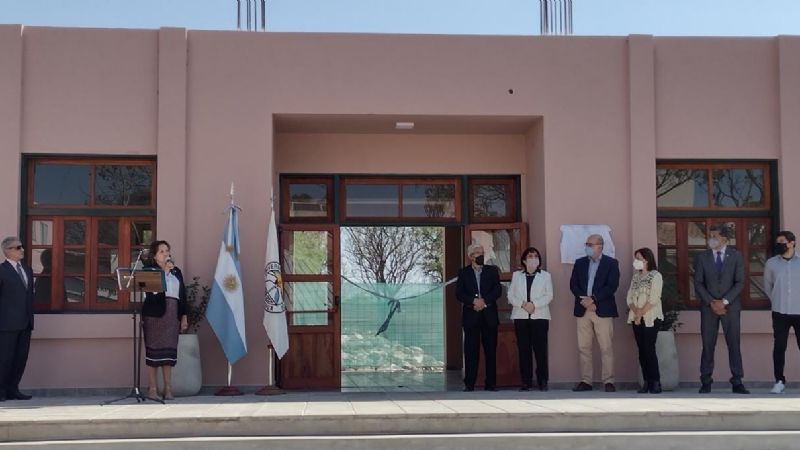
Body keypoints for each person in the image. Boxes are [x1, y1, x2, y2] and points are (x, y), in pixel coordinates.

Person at [694, 223, 748, 394]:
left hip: (730, 307)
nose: (711, 239)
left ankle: (737, 381)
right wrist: (711, 302)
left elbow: (740, 281)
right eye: (710, 236)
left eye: (715, 236)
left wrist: (724, 301)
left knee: (734, 344)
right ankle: (706, 381)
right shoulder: (703, 257)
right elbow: (698, 282)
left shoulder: (736, 256)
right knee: (708, 345)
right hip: (708, 308)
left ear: (724, 238)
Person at [569, 234, 620, 392]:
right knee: (584, 347)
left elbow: (612, 286)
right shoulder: (580, 263)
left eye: (590, 244)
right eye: (587, 244)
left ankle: (609, 381)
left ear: (600, 246)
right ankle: (586, 381)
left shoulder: (611, 263)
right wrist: (585, 300)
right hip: (583, 309)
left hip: (602, 310)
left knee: (606, 347)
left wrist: (594, 300)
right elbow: (573, 284)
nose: (587, 247)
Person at [141, 240, 188, 400]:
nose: (166, 253)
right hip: (154, 315)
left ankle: (168, 388)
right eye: (161, 251)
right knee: (153, 353)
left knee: (168, 353)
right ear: (155, 256)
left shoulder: (177, 272)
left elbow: (183, 296)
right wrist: (165, 273)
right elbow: (152, 295)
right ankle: (152, 389)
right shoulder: (149, 271)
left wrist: (184, 316)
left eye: (167, 250)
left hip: (172, 314)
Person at [455, 243, 502, 391]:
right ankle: (469, 384)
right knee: (471, 352)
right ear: (471, 256)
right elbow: (459, 294)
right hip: (471, 317)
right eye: (477, 252)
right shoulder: (463, 273)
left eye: (482, 252)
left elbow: (497, 290)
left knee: (491, 352)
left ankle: (491, 384)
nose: (480, 255)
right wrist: (473, 301)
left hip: (489, 316)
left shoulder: (492, 271)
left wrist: (484, 301)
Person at [507, 246, 553, 391]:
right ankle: (526, 381)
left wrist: (534, 305)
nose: (533, 259)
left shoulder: (545, 276)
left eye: (535, 256)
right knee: (523, 350)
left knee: (540, 350)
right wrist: (522, 304)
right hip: (521, 316)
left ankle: (542, 380)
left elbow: (549, 295)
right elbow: (510, 295)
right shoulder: (517, 276)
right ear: (524, 260)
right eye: (530, 256)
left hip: (539, 316)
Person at [764, 230, 800, 394]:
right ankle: (779, 381)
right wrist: (777, 301)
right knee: (779, 347)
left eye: (782, 241)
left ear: (792, 242)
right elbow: (768, 287)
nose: (780, 244)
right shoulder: (771, 263)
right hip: (779, 312)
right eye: (778, 241)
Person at [0, 236, 34, 401]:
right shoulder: (2, 270)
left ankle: (13, 389)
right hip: (6, 324)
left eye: (21, 247)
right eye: (18, 247)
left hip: (26, 323)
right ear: (7, 251)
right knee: (5, 359)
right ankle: (1, 391)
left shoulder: (27, 270)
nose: (22, 250)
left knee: (21, 358)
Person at [626, 247, 664, 394]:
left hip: (650, 317)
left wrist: (641, 313)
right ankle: (646, 381)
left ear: (646, 260)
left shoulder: (655, 276)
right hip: (636, 318)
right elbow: (629, 297)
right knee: (641, 350)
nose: (636, 261)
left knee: (649, 349)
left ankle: (656, 381)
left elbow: (654, 298)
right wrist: (636, 312)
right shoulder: (635, 277)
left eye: (638, 258)